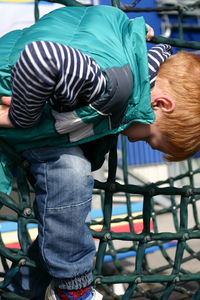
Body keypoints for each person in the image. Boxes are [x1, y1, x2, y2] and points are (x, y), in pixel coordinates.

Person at [0, 4, 199, 300]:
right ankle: (73, 288)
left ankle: (24, 288)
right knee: (71, 171)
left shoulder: (143, 63)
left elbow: (159, 52)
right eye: (150, 139)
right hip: (14, 101)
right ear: (161, 104)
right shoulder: (111, 86)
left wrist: (139, 33)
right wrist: (21, 116)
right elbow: (41, 57)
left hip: (34, 111)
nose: (134, 142)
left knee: (64, 221)